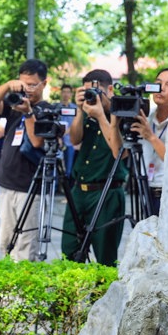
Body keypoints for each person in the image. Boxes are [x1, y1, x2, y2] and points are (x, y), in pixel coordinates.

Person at [0, 58, 50, 261]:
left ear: (44, 83)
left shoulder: (46, 109)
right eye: (24, 83)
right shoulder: (15, 104)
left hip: (30, 187)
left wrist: (29, 113)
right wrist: (7, 85)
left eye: (32, 84)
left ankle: (22, 291)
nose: (28, 89)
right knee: (6, 241)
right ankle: (9, 290)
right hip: (7, 183)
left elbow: (37, 142)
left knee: (26, 245)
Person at [62, 70, 126, 265]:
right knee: (69, 250)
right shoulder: (86, 109)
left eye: (96, 93)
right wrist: (81, 109)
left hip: (106, 193)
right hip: (79, 190)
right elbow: (74, 139)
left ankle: (103, 295)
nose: (93, 97)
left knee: (105, 255)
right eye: (88, 93)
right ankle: (72, 294)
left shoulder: (122, 110)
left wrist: (100, 116)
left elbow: (119, 152)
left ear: (110, 89)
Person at [126, 67, 168, 216]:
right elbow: (118, 153)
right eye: (158, 83)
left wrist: (151, 137)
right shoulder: (145, 118)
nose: (161, 88)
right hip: (145, 191)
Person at [57, 84, 78, 177]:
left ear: (71, 94)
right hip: (58, 141)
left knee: (69, 169)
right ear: (61, 93)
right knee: (57, 167)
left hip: (70, 142)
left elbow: (76, 123)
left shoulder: (75, 108)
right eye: (64, 92)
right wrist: (58, 136)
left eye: (68, 92)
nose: (66, 94)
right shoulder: (56, 107)